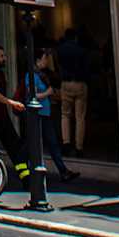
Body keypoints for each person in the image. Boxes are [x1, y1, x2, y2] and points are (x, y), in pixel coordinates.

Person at [25, 47, 79, 181]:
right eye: (44, 59)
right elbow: (32, 95)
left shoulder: (43, 74)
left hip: (45, 113)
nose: (46, 61)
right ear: (38, 60)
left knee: (50, 143)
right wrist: (47, 93)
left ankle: (62, 171)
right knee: (39, 143)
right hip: (38, 115)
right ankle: (28, 171)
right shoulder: (31, 76)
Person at [0, 42, 28, 182]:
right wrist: (12, 103)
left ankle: (26, 179)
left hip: (3, 118)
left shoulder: (1, 74)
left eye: (5, 56)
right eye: (2, 56)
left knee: (15, 148)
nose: (5, 59)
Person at [57, 27, 89, 155]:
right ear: (75, 37)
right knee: (80, 117)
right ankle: (79, 147)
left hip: (65, 83)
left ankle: (66, 143)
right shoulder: (82, 50)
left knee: (65, 114)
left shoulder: (61, 50)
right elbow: (87, 68)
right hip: (80, 83)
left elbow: (59, 65)